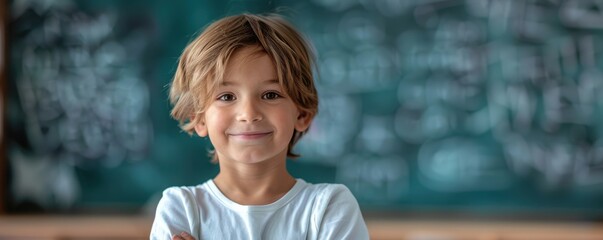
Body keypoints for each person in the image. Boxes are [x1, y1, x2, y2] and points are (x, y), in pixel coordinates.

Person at [150, 13, 369, 240]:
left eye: (270, 94)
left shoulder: (329, 208)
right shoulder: (181, 209)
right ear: (199, 118)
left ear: (302, 113)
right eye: (226, 97)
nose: (249, 114)